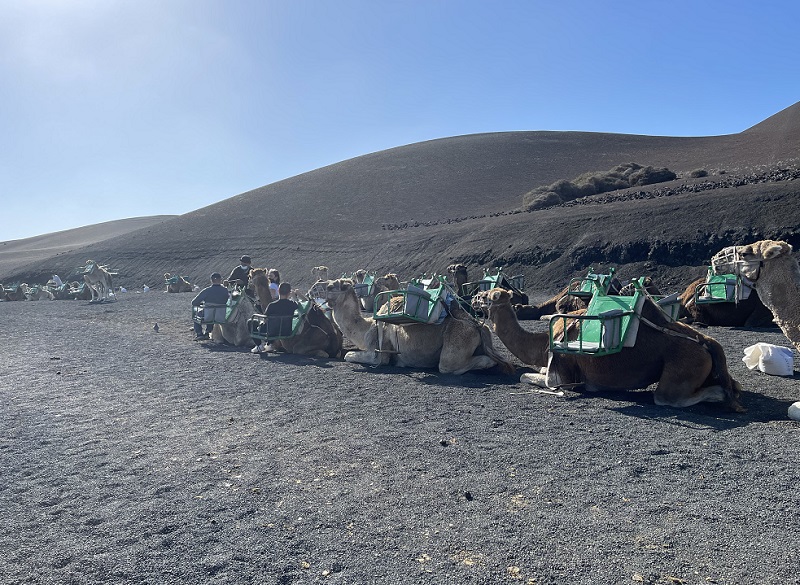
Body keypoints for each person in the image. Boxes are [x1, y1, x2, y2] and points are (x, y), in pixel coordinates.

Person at [252, 282, 298, 353]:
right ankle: (270, 344)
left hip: (271, 332)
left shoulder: (272, 305)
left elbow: (265, 318)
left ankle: (260, 345)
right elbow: (298, 304)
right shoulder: (292, 305)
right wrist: (294, 296)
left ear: (278, 291)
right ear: (289, 293)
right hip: (286, 331)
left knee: (251, 322)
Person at [191, 272, 230, 340]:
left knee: (197, 315)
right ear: (220, 280)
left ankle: (199, 334)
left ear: (211, 280)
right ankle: (208, 332)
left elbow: (194, 302)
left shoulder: (207, 290)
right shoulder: (225, 290)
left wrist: (200, 304)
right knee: (213, 313)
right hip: (221, 315)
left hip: (208, 314)